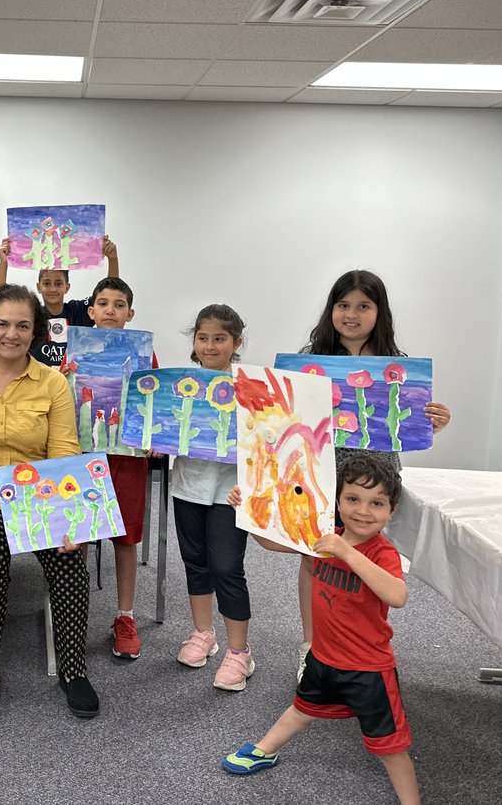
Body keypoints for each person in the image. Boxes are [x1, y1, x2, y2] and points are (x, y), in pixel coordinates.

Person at [222, 455, 420, 805]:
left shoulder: (381, 552)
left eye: (377, 503)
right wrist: (247, 511)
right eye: (353, 499)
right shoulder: (325, 538)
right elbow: (271, 542)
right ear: (338, 500)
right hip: (324, 657)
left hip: (368, 670)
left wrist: (345, 551)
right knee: (302, 709)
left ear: (392, 509)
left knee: (390, 748)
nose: (363, 511)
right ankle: (265, 750)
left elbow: (397, 595)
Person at [0, 284, 97, 720]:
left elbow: (65, 454)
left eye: (22, 326)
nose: (11, 334)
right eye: (2, 324)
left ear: (35, 333)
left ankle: (74, 670)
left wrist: (71, 521)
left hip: (40, 499)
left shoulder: (53, 384)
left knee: (70, 563)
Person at [293, 270, 452, 679]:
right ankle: (314, 646)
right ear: (331, 310)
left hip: (375, 480)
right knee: (317, 557)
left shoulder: (398, 368)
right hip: (325, 478)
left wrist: (431, 421)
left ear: (379, 312)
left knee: (368, 560)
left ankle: (359, 645)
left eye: (363, 305)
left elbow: (407, 424)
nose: (351, 314)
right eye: (343, 305)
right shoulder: (309, 365)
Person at [171, 304, 256, 690]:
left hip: (231, 491)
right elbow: (163, 425)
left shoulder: (250, 387)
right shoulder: (179, 384)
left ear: (236, 343)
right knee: (196, 562)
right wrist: (154, 442)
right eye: (202, 338)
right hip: (187, 485)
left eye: (219, 338)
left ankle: (240, 653)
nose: (209, 345)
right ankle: (203, 634)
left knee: (226, 568)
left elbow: (264, 435)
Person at [76, 277, 158, 661]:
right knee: (75, 537)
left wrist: (157, 438)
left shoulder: (145, 353)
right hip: (81, 460)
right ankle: (71, 611)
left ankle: (125, 617)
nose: (111, 309)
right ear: (91, 311)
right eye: (103, 303)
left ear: (130, 313)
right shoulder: (74, 350)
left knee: (126, 540)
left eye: (119, 304)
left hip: (127, 461)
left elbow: (157, 405)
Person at [0, 235, 119, 367]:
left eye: (58, 284)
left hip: (73, 385)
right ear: (38, 287)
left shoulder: (79, 311)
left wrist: (112, 259)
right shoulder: (33, 314)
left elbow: (110, 294)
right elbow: (1, 303)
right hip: (38, 383)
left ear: (67, 287)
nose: (53, 289)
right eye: (47, 283)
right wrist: (3, 263)